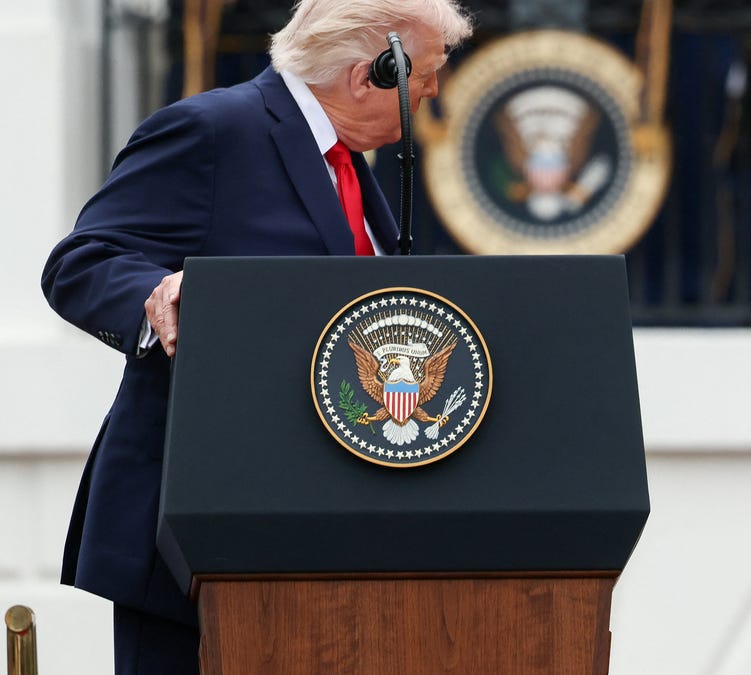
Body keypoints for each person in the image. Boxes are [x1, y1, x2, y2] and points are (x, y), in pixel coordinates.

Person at [40, 1, 472, 672]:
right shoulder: (214, 131)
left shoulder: (348, 165)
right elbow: (81, 262)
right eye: (429, 74)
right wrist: (156, 298)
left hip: (323, 538)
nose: (435, 93)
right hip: (200, 542)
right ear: (368, 76)